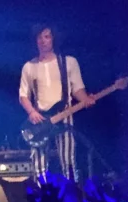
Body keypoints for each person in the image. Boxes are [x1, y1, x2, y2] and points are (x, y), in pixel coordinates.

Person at [18, 25, 94, 182]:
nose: (43, 41)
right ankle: (44, 197)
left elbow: (77, 88)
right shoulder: (29, 66)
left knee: (68, 160)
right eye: (39, 37)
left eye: (47, 36)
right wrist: (31, 112)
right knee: (38, 163)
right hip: (40, 119)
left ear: (54, 39)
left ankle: (71, 195)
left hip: (64, 115)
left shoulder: (69, 62)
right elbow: (23, 95)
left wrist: (85, 99)